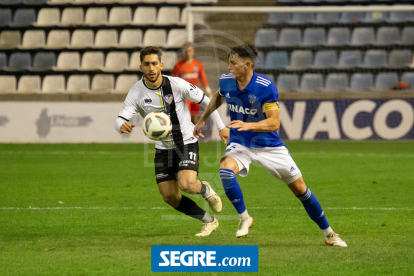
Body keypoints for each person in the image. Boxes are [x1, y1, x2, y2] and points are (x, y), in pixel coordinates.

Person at [194, 44, 347, 247]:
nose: (229, 67)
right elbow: (218, 96)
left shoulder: (265, 87)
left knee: (301, 190)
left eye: (233, 63)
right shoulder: (227, 81)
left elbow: (274, 123)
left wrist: (248, 125)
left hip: (270, 146)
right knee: (225, 171)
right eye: (229, 62)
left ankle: (329, 234)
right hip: (241, 143)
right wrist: (203, 118)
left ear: (246, 65)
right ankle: (244, 217)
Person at [115, 46, 229, 237]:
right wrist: (121, 125)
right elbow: (121, 117)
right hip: (163, 148)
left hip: (185, 142)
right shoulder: (136, 92)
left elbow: (205, 100)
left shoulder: (176, 84)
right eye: (146, 64)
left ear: (161, 64)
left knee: (187, 184)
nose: (151, 68)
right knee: (169, 196)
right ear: (140, 67)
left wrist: (221, 126)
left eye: (154, 63)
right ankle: (209, 221)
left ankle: (205, 189)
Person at [173, 42, 212, 125]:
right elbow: (174, 82)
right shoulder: (178, 66)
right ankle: (186, 135)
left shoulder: (198, 64)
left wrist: (208, 92)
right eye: (186, 51)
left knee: (194, 118)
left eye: (189, 51)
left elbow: (203, 79)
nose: (188, 53)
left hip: (195, 94)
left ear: (193, 51)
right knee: (186, 117)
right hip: (184, 95)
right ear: (183, 52)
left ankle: (194, 136)